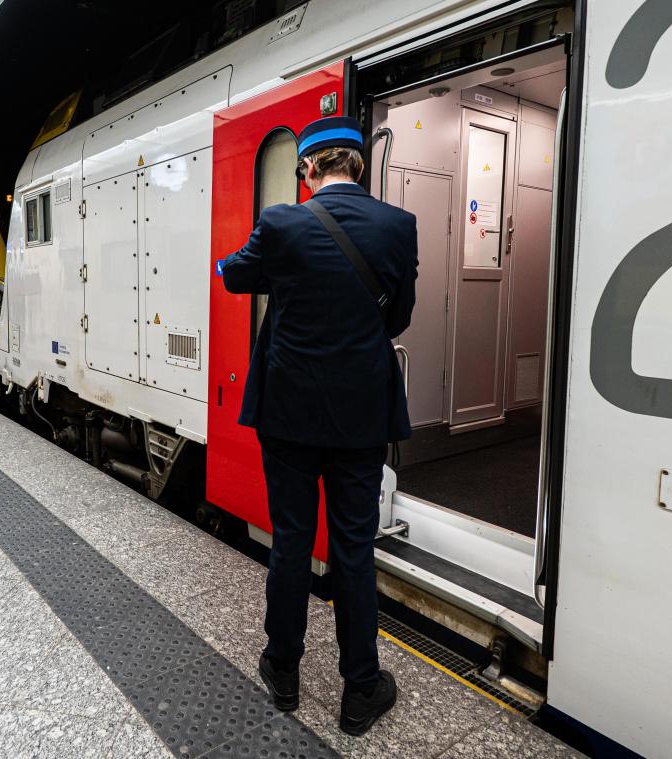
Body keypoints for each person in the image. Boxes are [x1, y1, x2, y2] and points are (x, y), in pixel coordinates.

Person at [221, 115, 418, 737]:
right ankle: (361, 690)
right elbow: (399, 317)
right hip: (361, 418)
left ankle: (283, 672)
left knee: (291, 541)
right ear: (357, 165)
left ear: (308, 167)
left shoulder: (282, 222)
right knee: (354, 550)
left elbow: (235, 275)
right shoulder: (398, 226)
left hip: (289, 414)